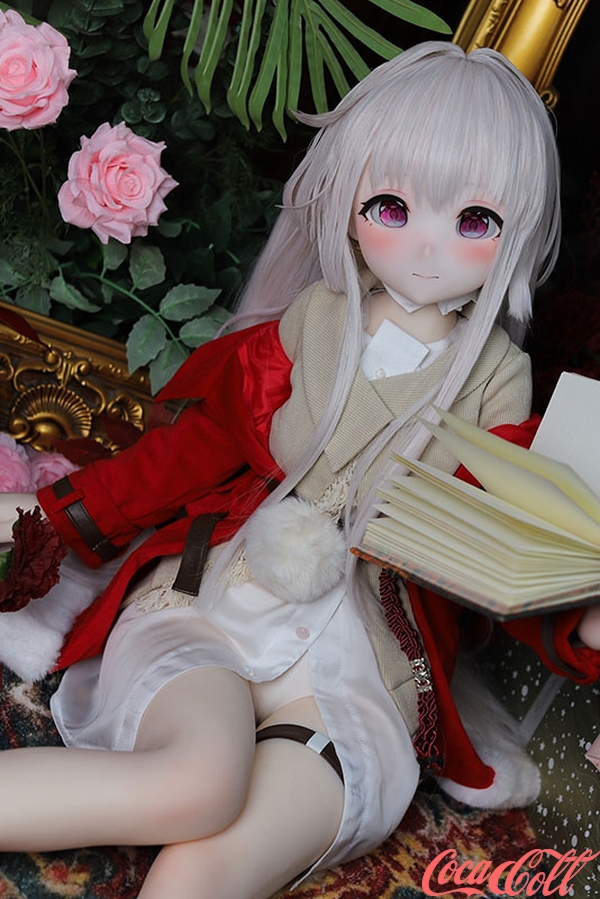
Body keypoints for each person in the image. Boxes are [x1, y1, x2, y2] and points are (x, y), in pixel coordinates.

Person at [0, 40, 598, 899]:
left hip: (367, 664)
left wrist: (577, 616)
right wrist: (49, 519)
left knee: (208, 868)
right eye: (391, 206)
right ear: (348, 203)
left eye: (474, 222)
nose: (426, 248)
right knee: (194, 783)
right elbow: (190, 454)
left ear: (520, 229)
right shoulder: (310, 324)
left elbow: (499, 543)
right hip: (213, 599)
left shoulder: (500, 382)